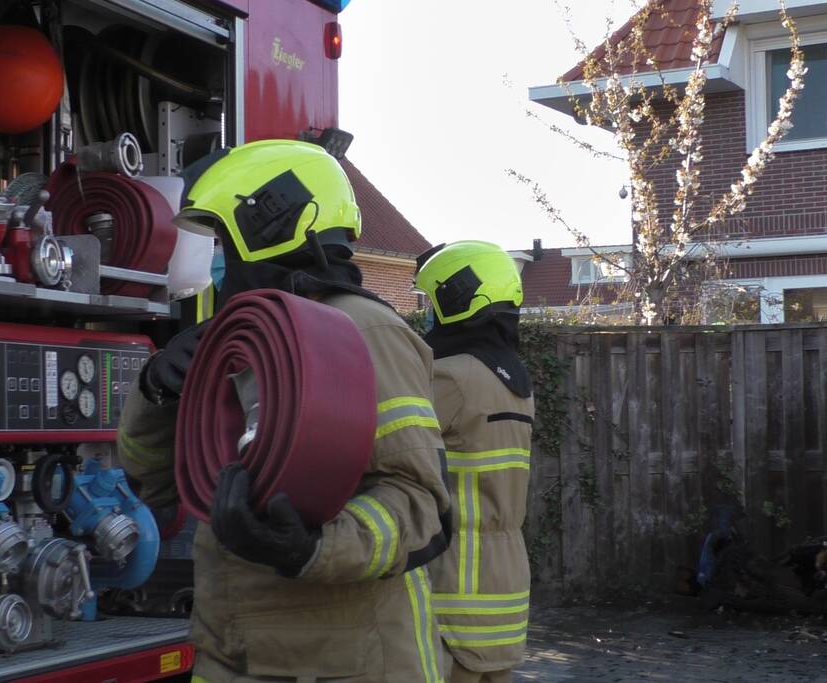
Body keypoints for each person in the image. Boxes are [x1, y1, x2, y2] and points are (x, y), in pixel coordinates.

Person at [117, 139, 452, 682]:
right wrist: (156, 393)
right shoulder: (234, 340)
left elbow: (420, 505)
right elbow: (157, 485)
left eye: (225, 241)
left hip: (344, 664)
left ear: (273, 226)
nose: (217, 263)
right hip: (233, 652)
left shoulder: (365, 333)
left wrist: (311, 548)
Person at [415, 241, 535, 683]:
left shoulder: (451, 376)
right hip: (502, 577)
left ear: (457, 299)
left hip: (455, 580)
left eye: (431, 304)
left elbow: (386, 447)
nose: (426, 317)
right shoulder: (512, 379)